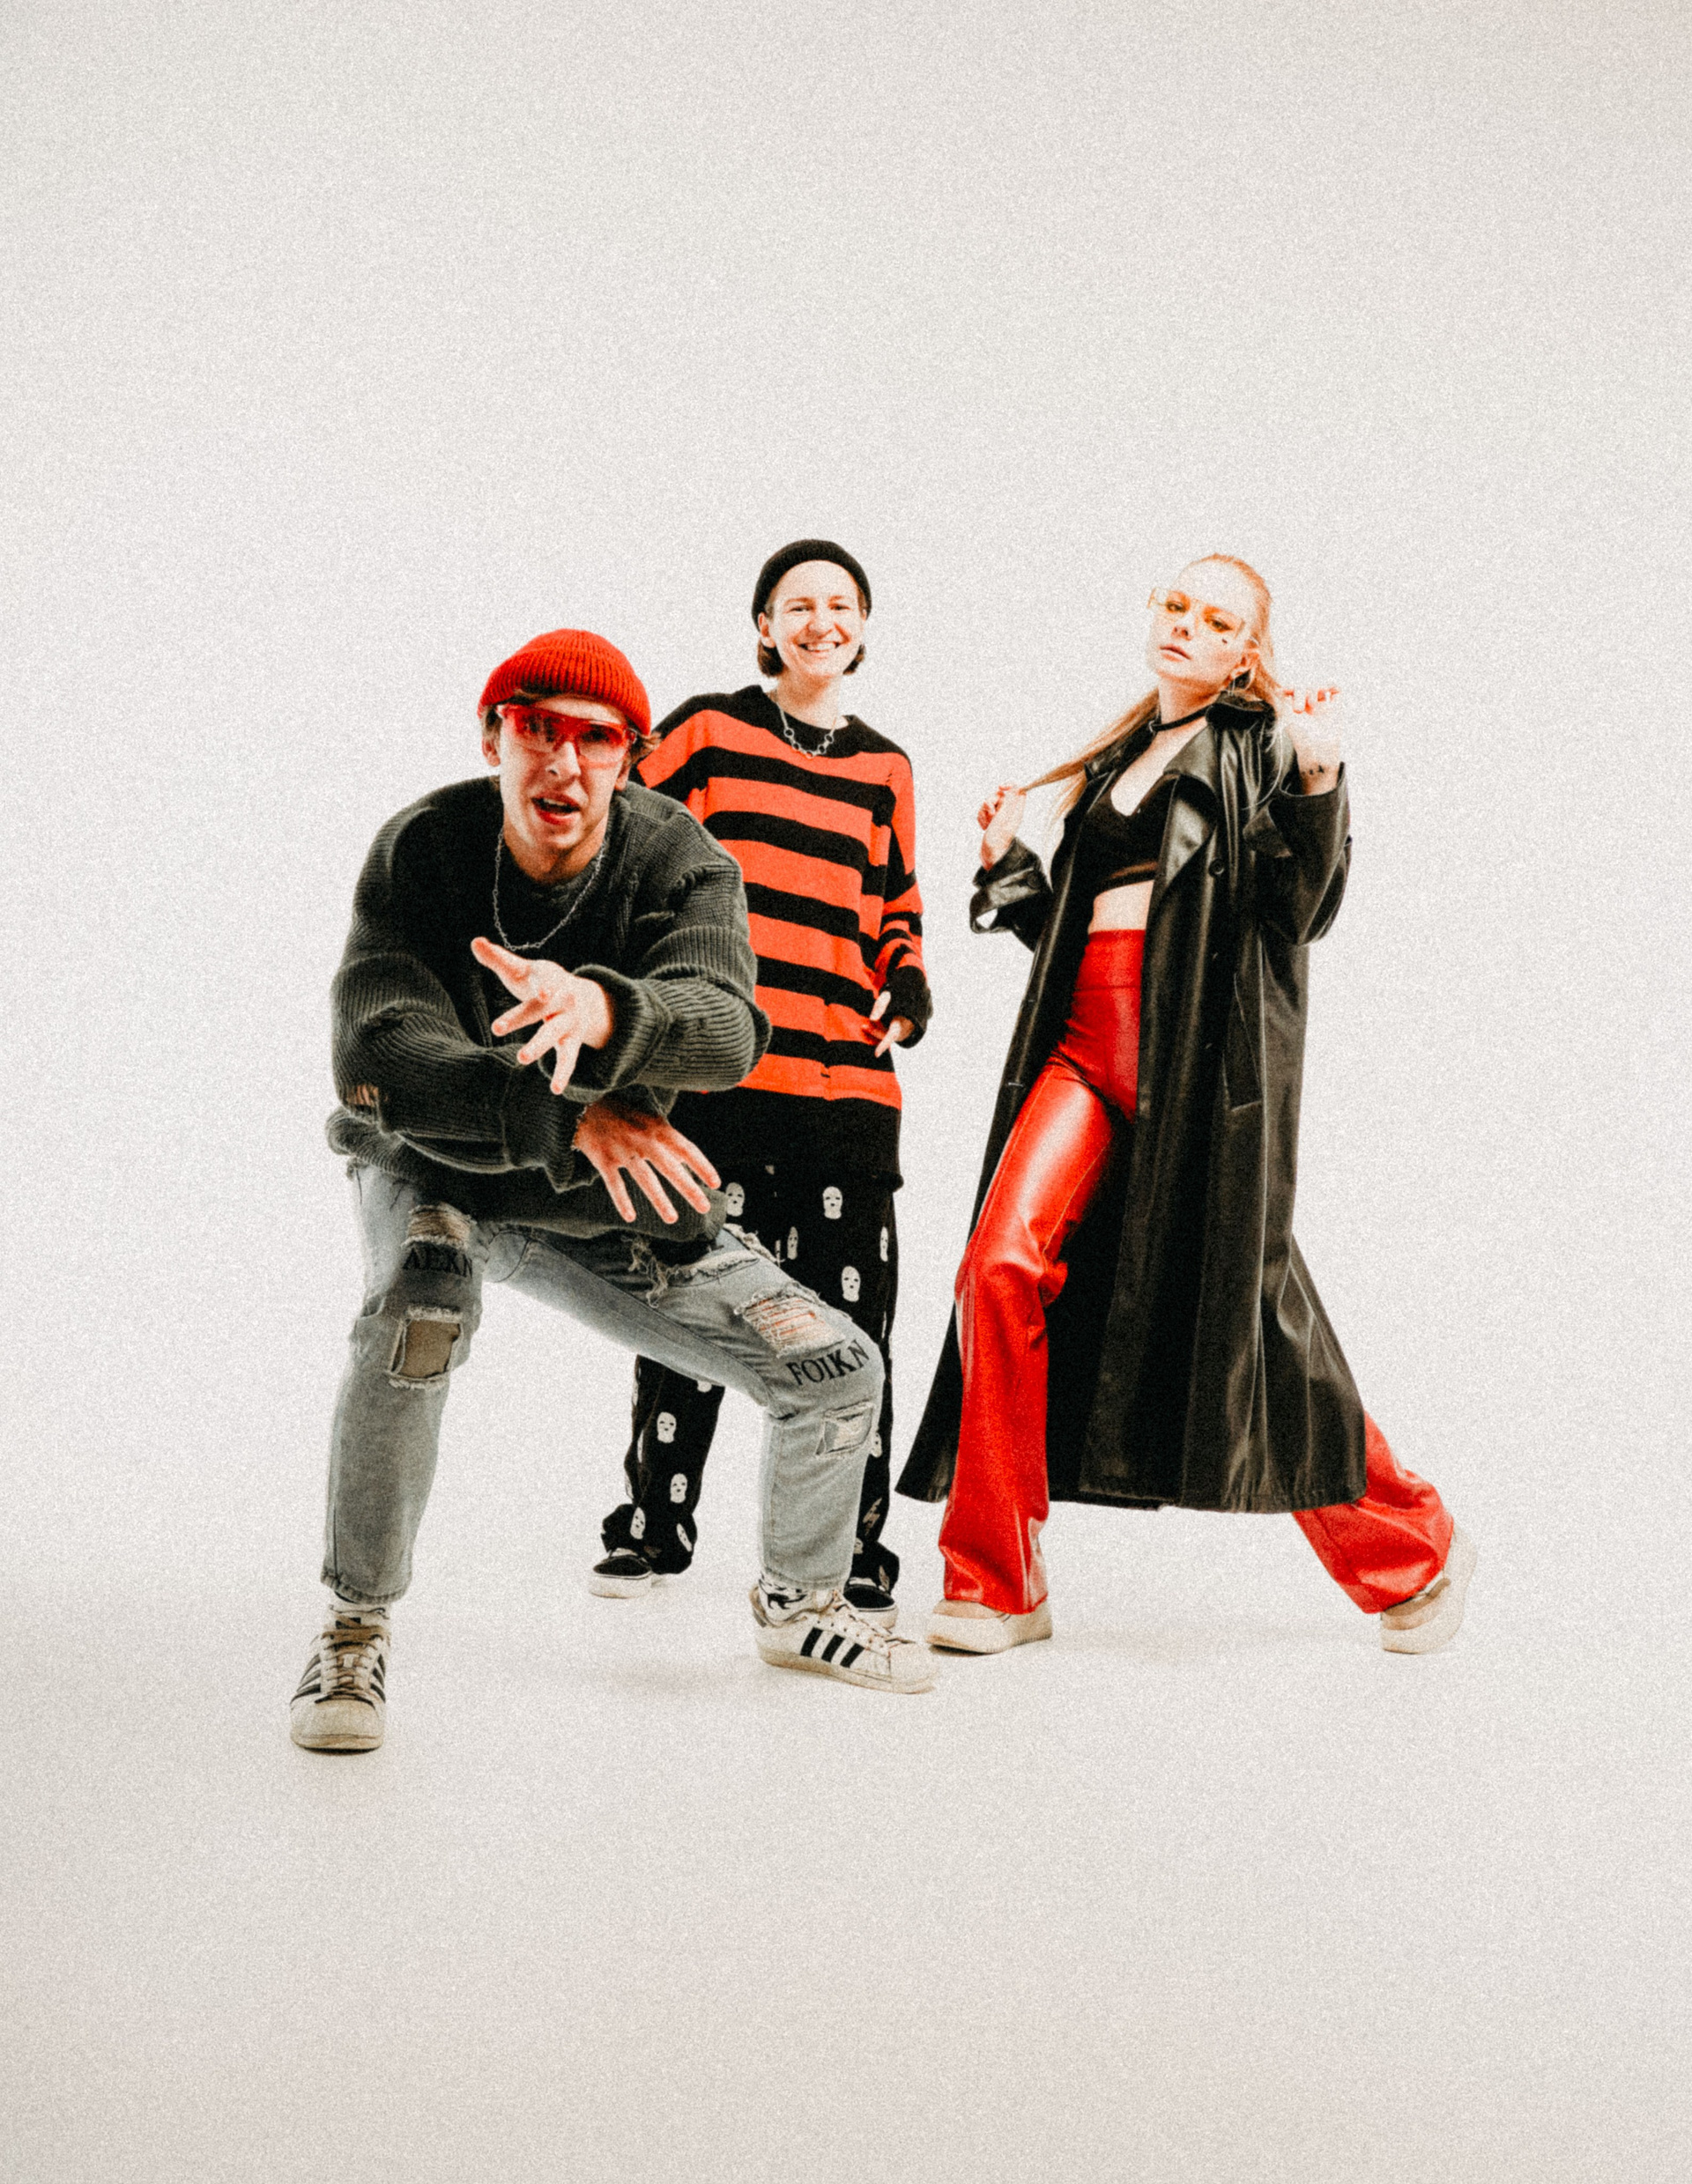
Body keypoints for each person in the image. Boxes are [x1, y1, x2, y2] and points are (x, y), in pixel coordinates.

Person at [292, 625, 934, 1752]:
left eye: (595, 739)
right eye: (537, 729)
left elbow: (727, 1028)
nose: (564, 762)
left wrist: (602, 1009)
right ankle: (355, 1624)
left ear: (629, 756)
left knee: (839, 1368)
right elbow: (376, 1048)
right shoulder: (426, 847)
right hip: (443, 1174)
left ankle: (802, 1603)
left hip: (605, 1203)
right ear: (493, 738)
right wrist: (565, 1113)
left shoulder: (681, 860)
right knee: (418, 1314)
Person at [897, 556, 1475, 1656]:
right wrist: (1012, 867)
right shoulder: (1114, 763)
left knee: (1250, 1321)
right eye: (1176, 604)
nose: (1187, 625)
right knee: (997, 1266)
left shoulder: (1259, 746)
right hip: (1083, 1051)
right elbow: (1072, 937)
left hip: (1198, 1070)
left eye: (1217, 619)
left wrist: (1319, 776)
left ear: (1245, 652)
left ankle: (1413, 1545)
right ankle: (995, 1575)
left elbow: (1300, 910)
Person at [590, 541, 931, 1625]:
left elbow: (896, 904)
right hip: (718, 1079)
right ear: (765, 625)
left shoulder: (886, 768)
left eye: (842, 604)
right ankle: (653, 1523)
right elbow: (621, 844)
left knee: (855, 1330)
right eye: (799, 604)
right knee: (692, 1308)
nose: (821, 620)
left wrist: (908, 981)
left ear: (863, 626)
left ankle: (852, 1550)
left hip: (847, 1091)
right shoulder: (705, 730)